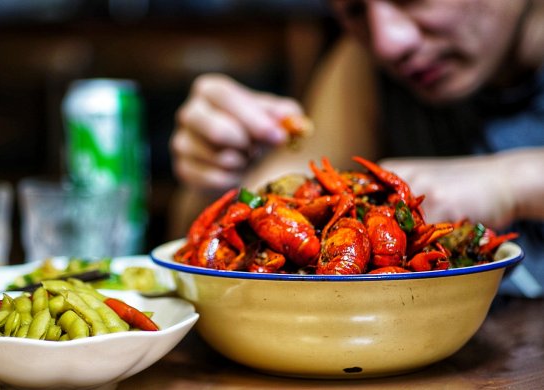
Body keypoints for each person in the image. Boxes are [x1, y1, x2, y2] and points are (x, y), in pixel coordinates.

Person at [169, 0, 544, 298]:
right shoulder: (364, 66)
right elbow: (251, 207)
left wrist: (514, 182)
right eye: (353, 10)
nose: (388, 41)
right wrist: (216, 171)